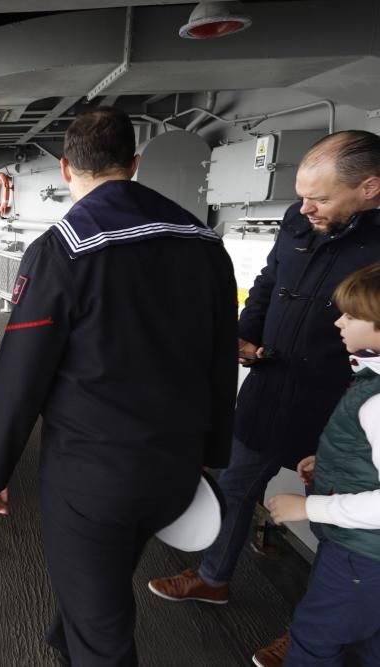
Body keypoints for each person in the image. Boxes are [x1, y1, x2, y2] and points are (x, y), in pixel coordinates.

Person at [0, 107, 238, 666]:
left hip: (93, 477)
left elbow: (22, 371)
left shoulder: (63, 249)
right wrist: (212, 454)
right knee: (95, 590)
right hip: (175, 467)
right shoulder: (204, 241)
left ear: (66, 168)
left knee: (103, 634)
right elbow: (221, 357)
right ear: (135, 164)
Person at [146, 131, 380, 666]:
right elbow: (270, 282)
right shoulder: (300, 223)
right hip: (271, 383)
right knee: (234, 484)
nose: (304, 208)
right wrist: (243, 335)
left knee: (343, 536)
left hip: (340, 405)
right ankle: (213, 578)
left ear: (369, 188)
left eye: (318, 199)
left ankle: (308, 634)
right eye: (301, 195)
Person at [264, 262, 380, 667]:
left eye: (352, 314)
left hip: (361, 557)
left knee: (314, 640)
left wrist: (308, 506)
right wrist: (332, 462)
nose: (339, 323)